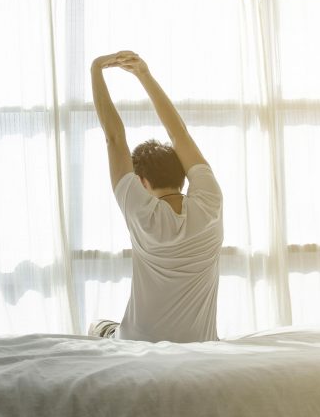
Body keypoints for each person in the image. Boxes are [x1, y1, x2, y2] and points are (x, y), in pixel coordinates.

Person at [89, 51, 224, 343]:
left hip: (136, 342)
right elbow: (179, 135)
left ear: (142, 181)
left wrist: (96, 68)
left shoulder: (140, 211)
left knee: (96, 326)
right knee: (104, 326)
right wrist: (143, 74)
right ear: (183, 173)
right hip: (201, 344)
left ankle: (105, 330)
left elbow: (114, 138)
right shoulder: (210, 202)